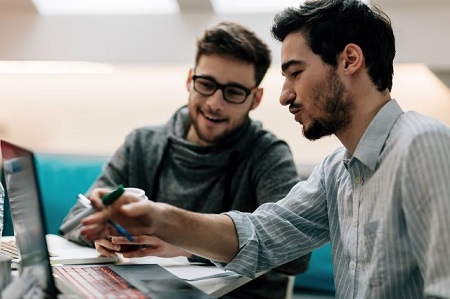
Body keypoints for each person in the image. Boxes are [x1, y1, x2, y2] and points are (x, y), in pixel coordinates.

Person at [80, 0, 450, 298]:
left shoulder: (422, 144)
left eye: (296, 73)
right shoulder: (336, 170)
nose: (286, 94)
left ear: (349, 60)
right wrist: (157, 217)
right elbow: (260, 235)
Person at [61, 21, 310, 299]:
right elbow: (74, 219)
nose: (215, 103)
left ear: (255, 98)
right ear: (189, 80)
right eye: (206, 84)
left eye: (234, 92)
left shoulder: (268, 154)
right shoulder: (143, 144)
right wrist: (104, 234)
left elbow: (296, 255)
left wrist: (186, 245)